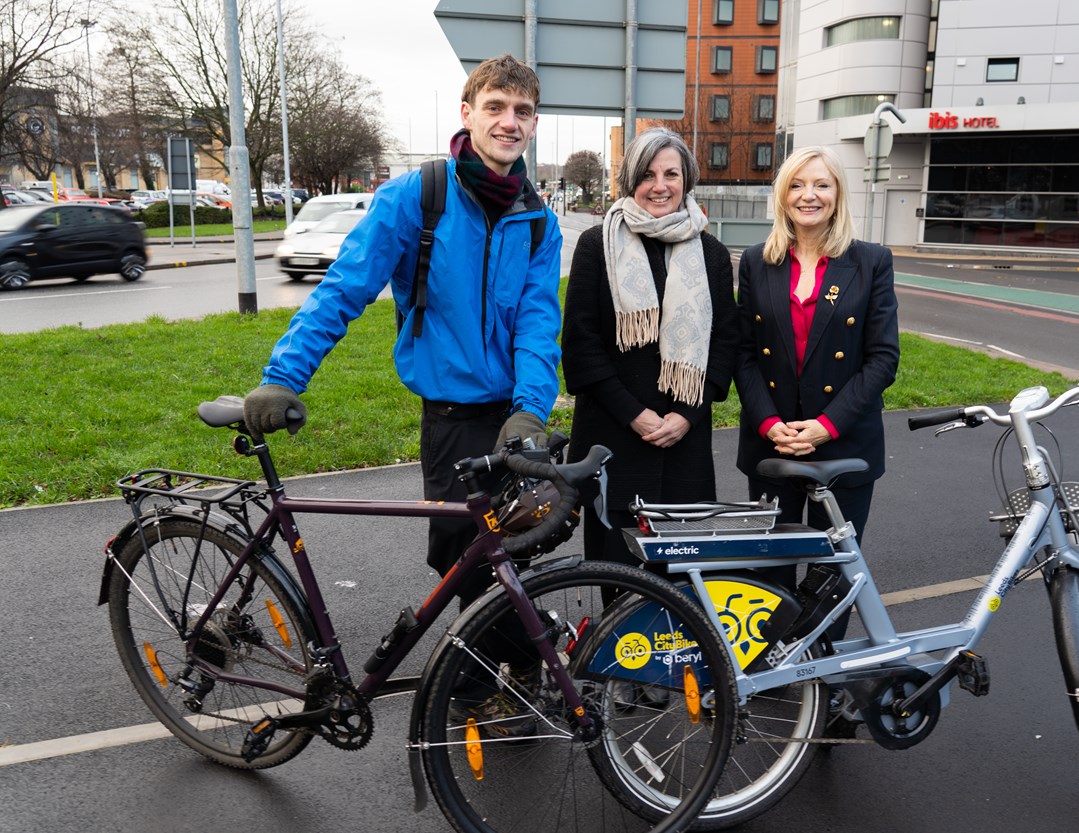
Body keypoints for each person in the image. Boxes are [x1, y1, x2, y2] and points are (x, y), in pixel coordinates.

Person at [241, 55, 562, 733]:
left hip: (509, 417)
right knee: (461, 556)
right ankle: (480, 687)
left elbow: (539, 319)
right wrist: (283, 375)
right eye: (496, 106)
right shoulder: (419, 196)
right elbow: (343, 289)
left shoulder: (537, 218)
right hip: (448, 414)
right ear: (467, 111)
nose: (509, 122)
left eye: (523, 111)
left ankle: (509, 676)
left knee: (519, 552)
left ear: (534, 123)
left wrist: (531, 407)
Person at [562, 128, 738, 572]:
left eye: (671, 174)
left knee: (683, 587)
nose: (660, 186)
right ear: (630, 180)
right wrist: (635, 415)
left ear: (687, 179)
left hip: (684, 446)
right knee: (618, 582)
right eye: (647, 174)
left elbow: (726, 343)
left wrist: (687, 416)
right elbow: (581, 348)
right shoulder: (596, 244)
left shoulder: (712, 254)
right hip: (613, 441)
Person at [735, 145, 900, 591]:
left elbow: (883, 358)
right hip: (774, 444)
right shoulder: (757, 261)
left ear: (837, 195)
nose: (809, 195)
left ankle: (822, 659)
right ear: (783, 195)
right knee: (771, 570)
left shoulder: (870, 262)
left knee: (834, 572)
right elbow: (745, 354)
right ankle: (777, 660)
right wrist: (769, 424)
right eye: (797, 184)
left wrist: (827, 425)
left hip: (844, 441)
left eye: (821, 184)